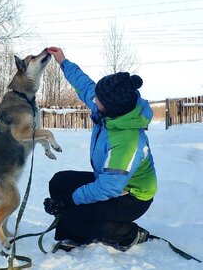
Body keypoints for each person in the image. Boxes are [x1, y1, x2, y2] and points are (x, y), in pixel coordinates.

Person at [44, 46, 157, 252]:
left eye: (99, 100)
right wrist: (62, 61)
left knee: (72, 214)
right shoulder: (110, 109)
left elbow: (108, 188)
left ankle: (129, 233)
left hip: (132, 196)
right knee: (60, 182)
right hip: (112, 183)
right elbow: (86, 86)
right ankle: (77, 235)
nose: (94, 100)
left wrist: (68, 200)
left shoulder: (128, 140)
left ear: (112, 108)